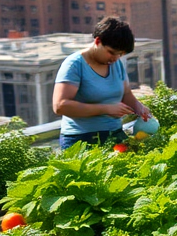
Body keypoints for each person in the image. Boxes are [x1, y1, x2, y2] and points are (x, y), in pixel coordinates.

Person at [53, 16, 152, 150]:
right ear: (98, 41)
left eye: (120, 55)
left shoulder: (116, 64)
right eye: (111, 53)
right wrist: (106, 109)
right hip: (81, 140)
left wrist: (138, 107)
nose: (115, 58)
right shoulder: (74, 65)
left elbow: (126, 93)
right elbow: (60, 106)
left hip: (115, 134)